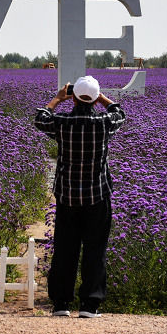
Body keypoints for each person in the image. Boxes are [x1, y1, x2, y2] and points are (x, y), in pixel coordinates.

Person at [34, 75, 126, 318]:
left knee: (65, 249)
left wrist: (57, 99)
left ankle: (61, 303)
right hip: (98, 196)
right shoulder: (104, 123)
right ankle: (89, 305)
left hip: (68, 196)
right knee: (95, 250)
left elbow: (40, 118)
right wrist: (102, 98)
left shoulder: (62, 122)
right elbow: (120, 113)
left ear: (73, 98)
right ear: (95, 100)